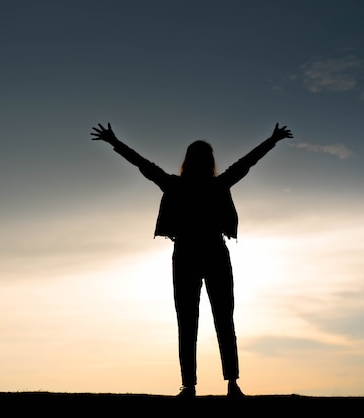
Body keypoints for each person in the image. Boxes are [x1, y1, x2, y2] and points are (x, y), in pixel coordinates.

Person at [90, 122, 293, 398]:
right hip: (209, 253)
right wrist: (272, 141)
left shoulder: (178, 185)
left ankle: (194, 385)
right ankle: (226, 384)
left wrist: (114, 141)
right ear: (209, 162)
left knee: (192, 321)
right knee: (220, 320)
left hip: (190, 254)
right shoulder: (213, 184)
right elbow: (246, 164)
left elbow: (144, 165)